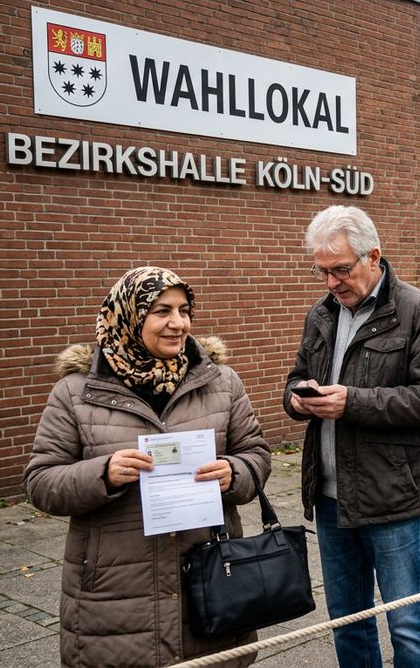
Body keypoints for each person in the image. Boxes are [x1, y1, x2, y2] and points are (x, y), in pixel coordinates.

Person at [25, 267, 271, 667]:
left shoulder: (221, 382)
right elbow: (40, 482)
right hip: (115, 597)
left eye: (184, 309)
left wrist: (234, 472)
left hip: (209, 583)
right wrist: (102, 473)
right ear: (130, 316)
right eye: (162, 311)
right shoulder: (75, 391)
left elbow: (256, 455)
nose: (178, 323)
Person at [285, 206, 420, 667]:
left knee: (406, 623)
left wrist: (353, 403)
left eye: (341, 269)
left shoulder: (418, 311)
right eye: (322, 271)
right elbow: (297, 376)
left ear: (373, 256)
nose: (331, 282)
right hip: (330, 496)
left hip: (394, 497)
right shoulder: (321, 314)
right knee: (347, 619)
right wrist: (296, 399)